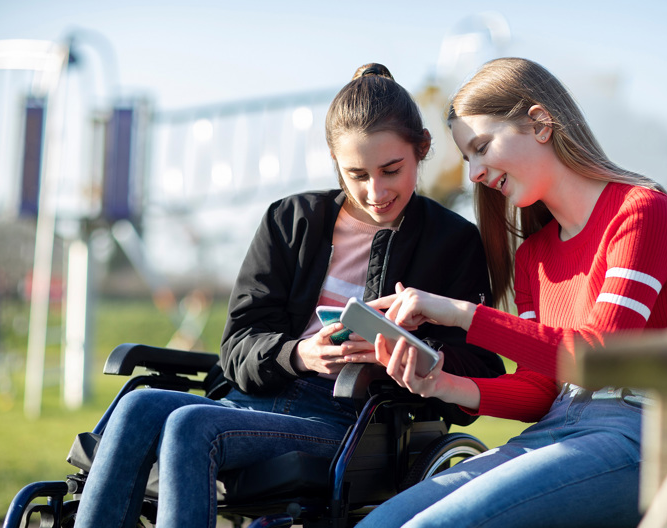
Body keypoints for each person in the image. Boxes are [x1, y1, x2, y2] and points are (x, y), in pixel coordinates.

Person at [73, 63, 503, 528]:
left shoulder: (453, 242)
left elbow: (481, 371)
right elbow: (236, 346)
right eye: (356, 174)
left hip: (351, 422)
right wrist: (299, 354)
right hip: (249, 401)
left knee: (189, 424)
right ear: (335, 162)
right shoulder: (289, 220)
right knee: (138, 404)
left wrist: (399, 354)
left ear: (421, 150)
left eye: (391, 170)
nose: (374, 192)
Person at [358, 57, 667, 528]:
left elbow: (600, 357)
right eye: (469, 158)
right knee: (380, 523)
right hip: (559, 428)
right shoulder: (534, 257)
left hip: (646, 434)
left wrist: (463, 314)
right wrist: (441, 383)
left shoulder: (642, 211)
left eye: (482, 147)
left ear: (541, 123)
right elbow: (538, 392)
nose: (475, 174)